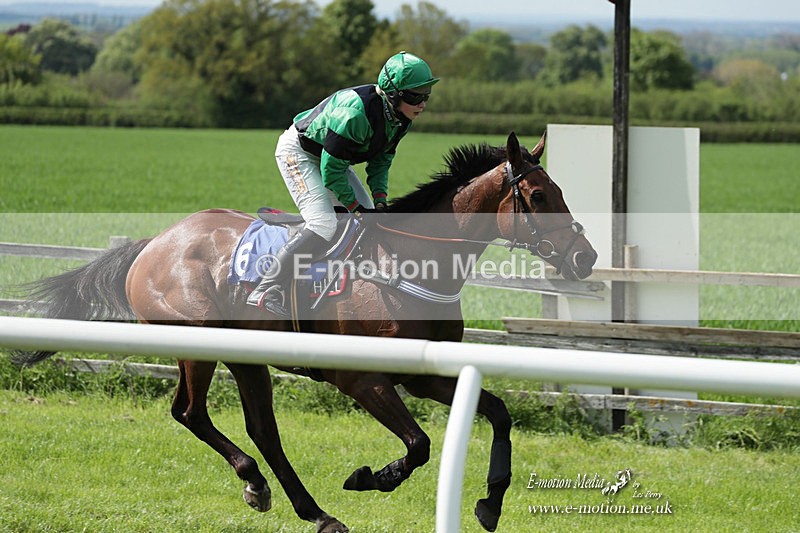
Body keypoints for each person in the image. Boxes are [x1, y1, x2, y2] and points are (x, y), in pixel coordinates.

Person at [246, 51, 439, 316]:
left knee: (371, 217)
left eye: (426, 96)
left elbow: (381, 161)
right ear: (393, 94)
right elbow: (331, 172)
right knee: (324, 224)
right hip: (300, 155)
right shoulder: (354, 115)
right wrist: (354, 207)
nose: (422, 104)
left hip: (333, 158)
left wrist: (380, 200)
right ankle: (267, 287)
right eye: (415, 97)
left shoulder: (401, 118)